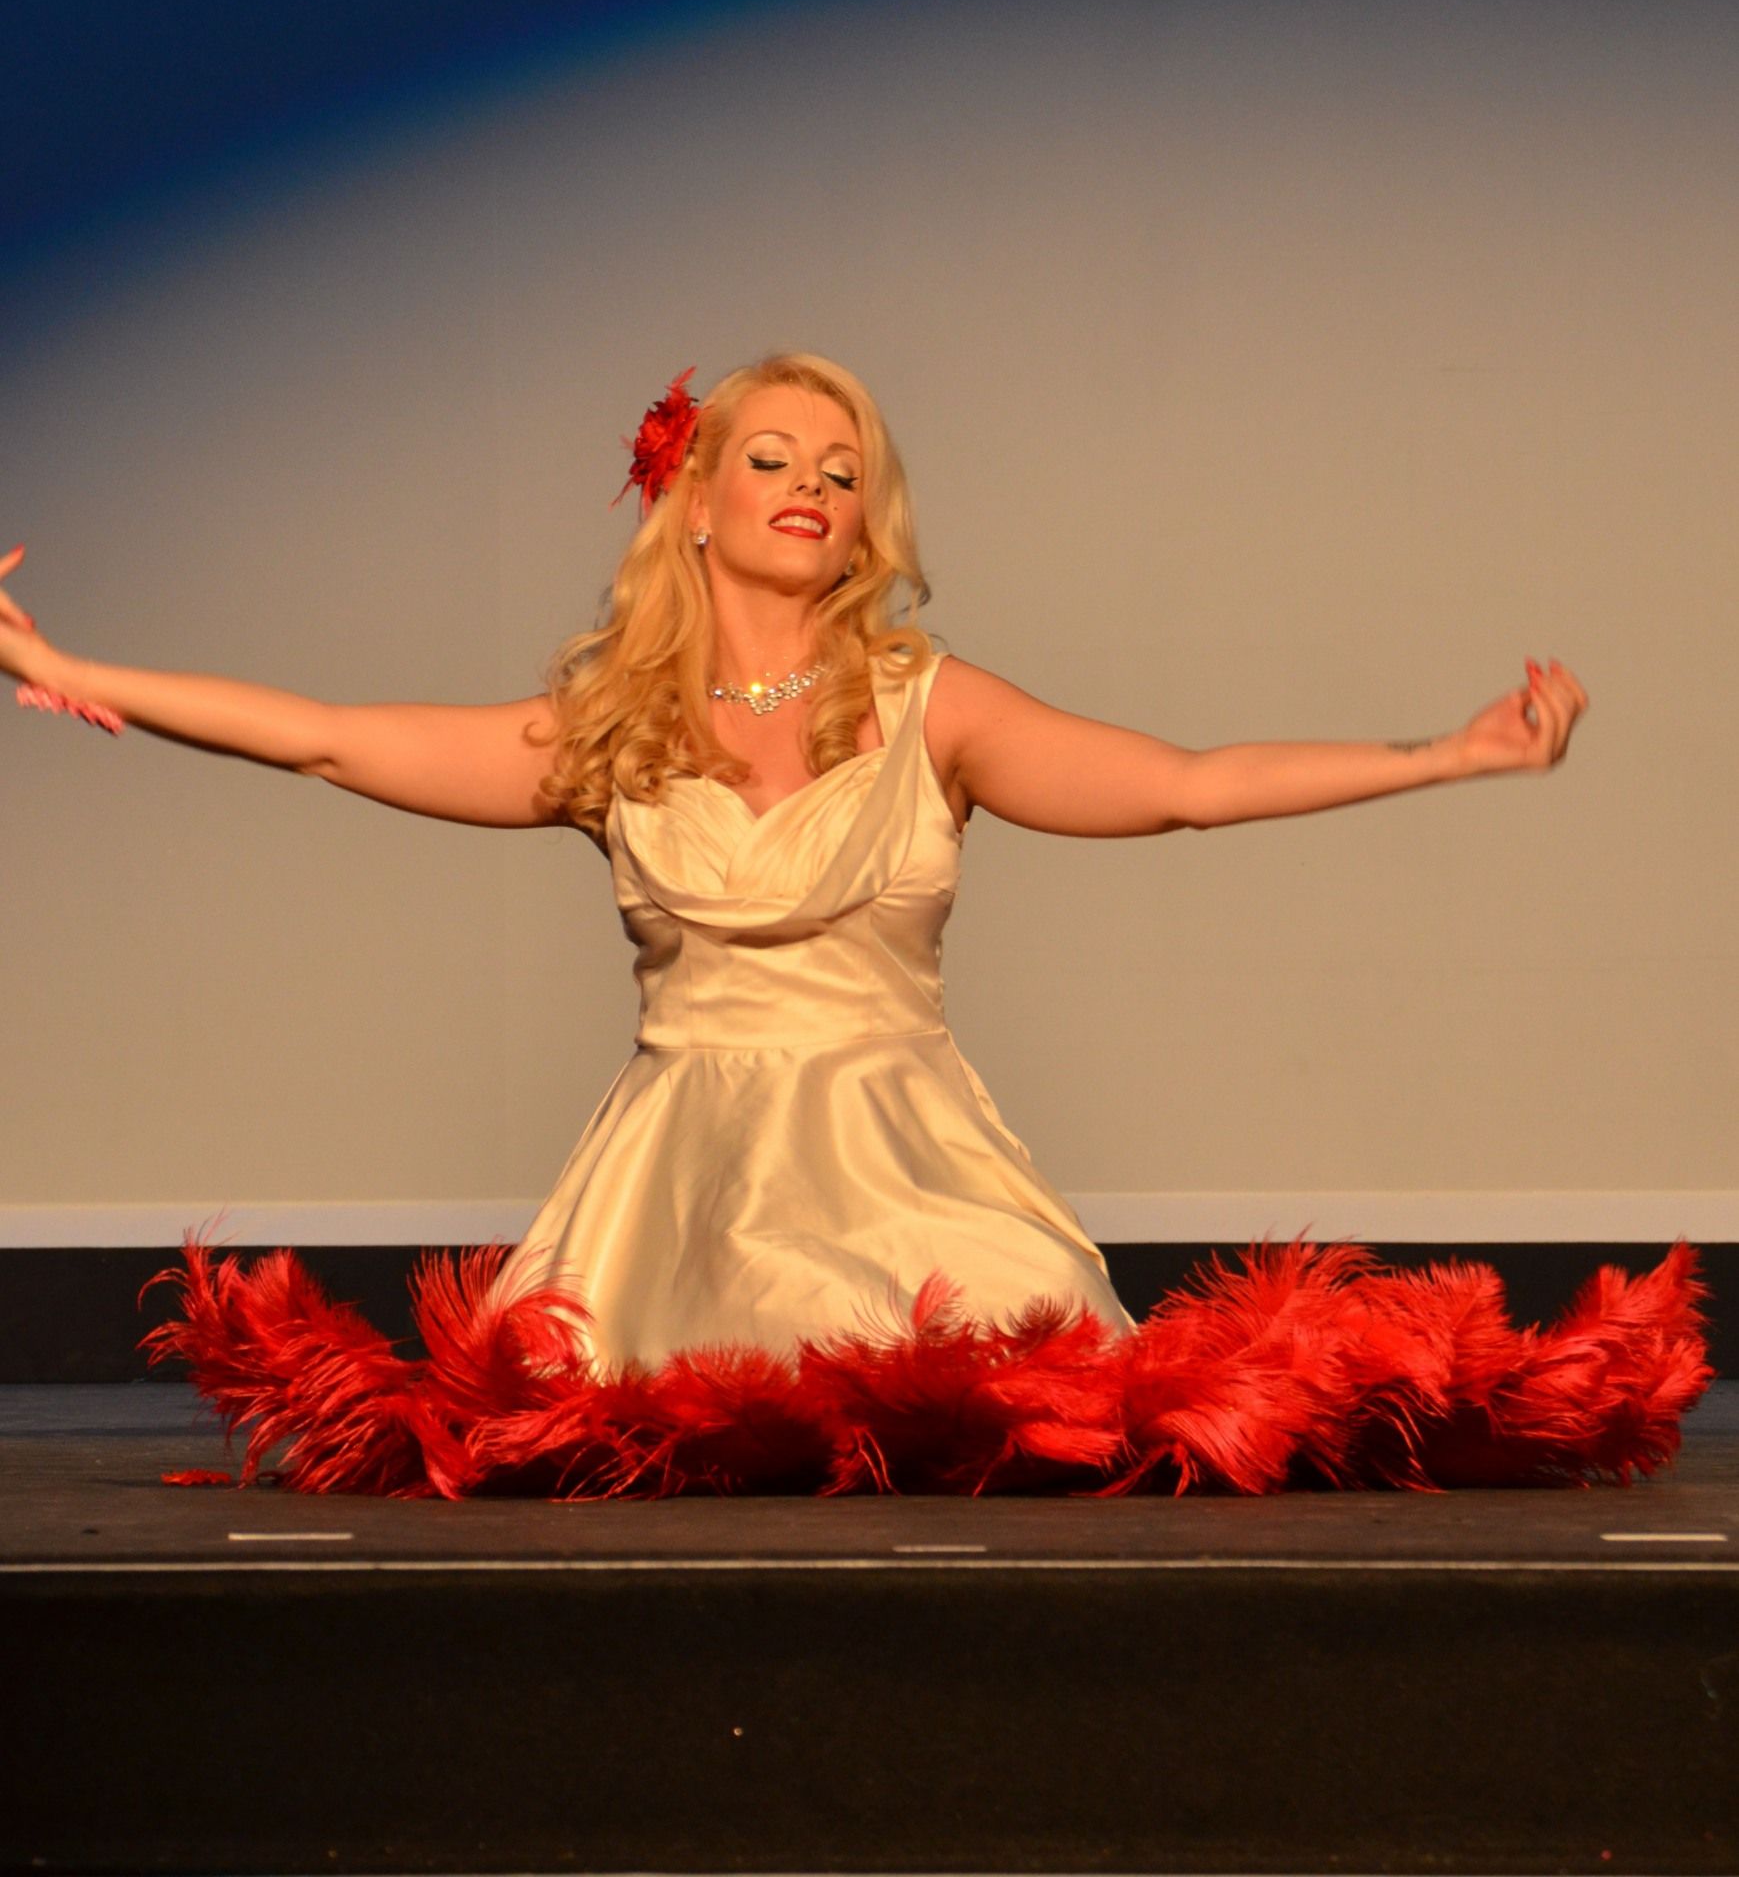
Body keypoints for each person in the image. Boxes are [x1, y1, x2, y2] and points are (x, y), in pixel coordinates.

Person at [0, 351, 1709, 1499]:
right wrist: (70, 670)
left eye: (842, 466)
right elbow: (320, 732)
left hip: (916, 1190)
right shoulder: (610, 733)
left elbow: (1185, 782)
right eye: (773, 457)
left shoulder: (928, 707)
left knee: (1037, 1449)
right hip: (675, 1204)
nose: (813, 483)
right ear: (697, 495)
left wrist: (1450, 753)